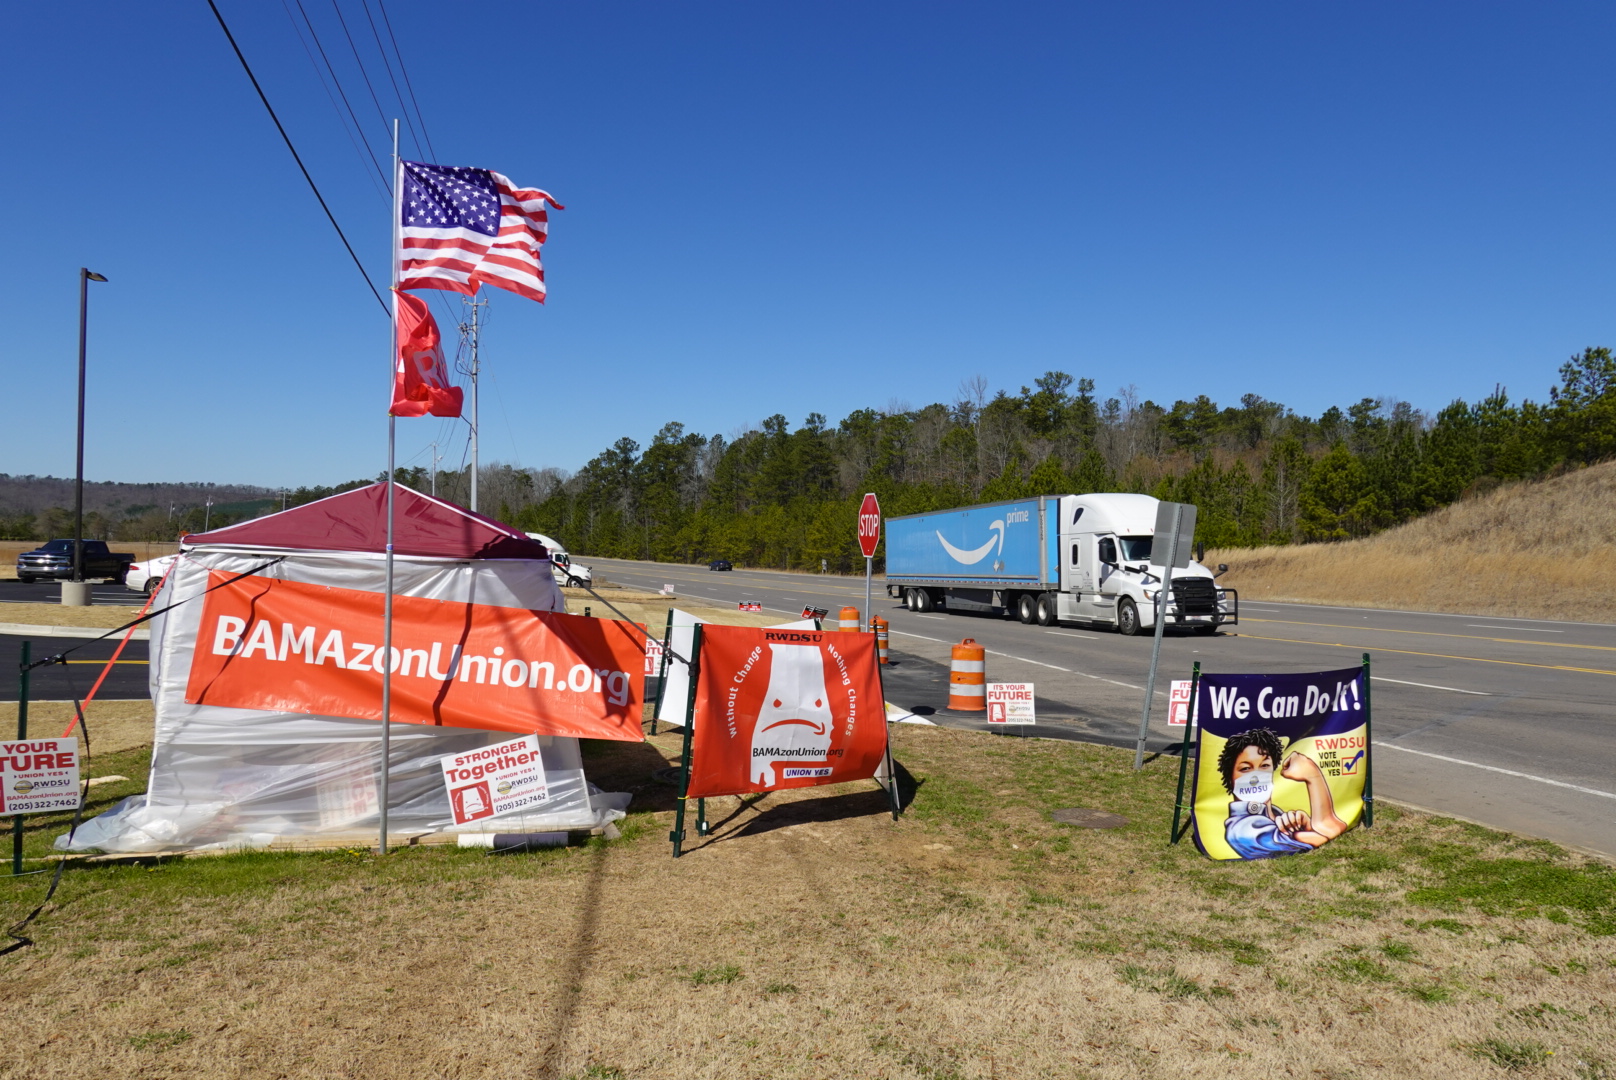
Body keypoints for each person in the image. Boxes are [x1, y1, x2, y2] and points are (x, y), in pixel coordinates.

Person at [1216, 727, 1348, 859]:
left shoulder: (1274, 813)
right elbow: (1328, 831)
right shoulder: (1243, 830)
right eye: (1245, 768)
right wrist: (1314, 777)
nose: (1256, 777)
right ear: (1230, 777)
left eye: (1265, 766)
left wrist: (1307, 825)